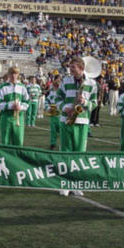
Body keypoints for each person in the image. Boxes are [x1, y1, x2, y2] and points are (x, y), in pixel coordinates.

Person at [57, 56, 98, 195]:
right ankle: (65, 183)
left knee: (79, 153)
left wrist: (85, 102)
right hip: (66, 120)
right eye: (70, 67)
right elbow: (57, 98)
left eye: (73, 67)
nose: (70, 69)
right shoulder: (66, 80)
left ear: (81, 67)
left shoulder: (92, 83)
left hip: (82, 121)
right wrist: (64, 107)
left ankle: (76, 183)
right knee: (66, 152)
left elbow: (95, 103)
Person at [0, 66, 29, 146]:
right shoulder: (2, 87)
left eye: (16, 73)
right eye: (12, 73)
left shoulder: (22, 87)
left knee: (19, 141)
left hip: (19, 117)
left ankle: (16, 158)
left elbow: (27, 101)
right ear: (8, 74)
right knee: (5, 141)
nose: (14, 76)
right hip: (6, 117)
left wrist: (21, 107)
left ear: (18, 75)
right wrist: (10, 106)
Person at [45, 77, 62, 150]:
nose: (56, 88)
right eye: (55, 86)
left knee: (61, 130)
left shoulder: (62, 93)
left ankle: (63, 143)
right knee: (53, 130)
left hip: (60, 113)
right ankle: (53, 143)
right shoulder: (51, 93)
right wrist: (48, 108)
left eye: (57, 86)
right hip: (53, 114)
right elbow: (46, 101)